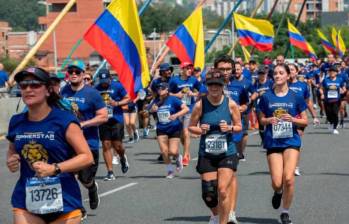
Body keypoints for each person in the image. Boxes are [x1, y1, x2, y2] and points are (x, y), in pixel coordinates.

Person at [7, 67, 93, 224]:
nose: (28, 89)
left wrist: (55, 168)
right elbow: (13, 149)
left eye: (35, 85)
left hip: (64, 201)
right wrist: (12, 160)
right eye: (24, 85)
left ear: (48, 90)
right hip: (26, 200)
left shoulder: (64, 120)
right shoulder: (16, 121)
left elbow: (87, 157)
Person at [189, 69, 242, 224]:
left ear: (223, 85)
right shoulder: (200, 105)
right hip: (207, 153)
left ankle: (223, 221)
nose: (214, 88)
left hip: (227, 152)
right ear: (207, 85)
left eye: (217, 85)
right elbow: (191, 127)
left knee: (223, 190)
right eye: (211, 84)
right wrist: (200, 129)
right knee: (209, 194)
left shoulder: (231, 104)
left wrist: (230, 128)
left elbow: (239, 126)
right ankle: (217, 214)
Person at [258, 64, 308, 224]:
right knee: (277, 182)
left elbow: (305, 121)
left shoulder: (295, 96)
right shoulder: (266, 97)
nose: (278, 75)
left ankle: (285, 212)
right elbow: (261, 119)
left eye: (281, 73)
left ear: (288, 76)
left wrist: (293, 119)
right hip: (273, 141)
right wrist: (268, 120)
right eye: (275, 73)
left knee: (289, 179)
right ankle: (278, 192)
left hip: (291, 140)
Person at [60, 60, 108, 210]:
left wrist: (83, 124)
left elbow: (103, 116)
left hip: (88, 142)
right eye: (71, 71)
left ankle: (92, 188)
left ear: (83, 74)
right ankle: (77, 209)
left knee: (85, 178)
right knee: (67, 176)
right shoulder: (63, 92)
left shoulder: (92, 93)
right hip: (68, 142)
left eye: (77, 72)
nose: (73, 74)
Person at [95, 69, 130, 180]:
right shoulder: (96, 89)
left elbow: (128, 98)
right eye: (102, 81)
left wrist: (117, 103)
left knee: (118, 146)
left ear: (110, 78)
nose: (104, 83)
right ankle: (110, 172)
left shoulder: (117, 86)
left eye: (106, 80)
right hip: (103, 120)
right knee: (106, 144)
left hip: (116, 119)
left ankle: (122, 157)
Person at [149, 82, 189, 178]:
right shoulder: (155, 101)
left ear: (167, 90)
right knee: (164, 151)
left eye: (162, 88)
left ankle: (178, 157)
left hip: (174, 127)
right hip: (161, 128)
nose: (160, 90)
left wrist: (176, 115)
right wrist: (151, 110)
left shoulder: (173, 99)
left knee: (172, 151)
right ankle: (170, 170)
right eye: (158, 88)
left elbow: (186, 109)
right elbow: (148, 111)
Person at [169, 61, 201, 166]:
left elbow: (203, 91)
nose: (190, 70)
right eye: (187, 68)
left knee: (186, 132)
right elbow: (168, 93)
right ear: (182, 69)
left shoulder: (193, 80)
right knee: (182, 135)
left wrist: (193, 94)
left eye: (190, 68)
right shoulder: (174, 81)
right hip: (177, 110)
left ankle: (186, 155)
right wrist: (176, 95)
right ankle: (186, 149)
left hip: (189, 109)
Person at [319, 65, 346, 134]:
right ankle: (331, 123)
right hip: (327, 100)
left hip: (336, 100)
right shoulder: (325, 80)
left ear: (336, 73)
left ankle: (334, 127)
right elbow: (321, 88)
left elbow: (344, 88)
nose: (332, 73)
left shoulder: (340, 80)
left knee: (335, 113)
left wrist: (342, 91)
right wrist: (322, 94)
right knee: (329, 114)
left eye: (333, 72)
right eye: (330, 72)